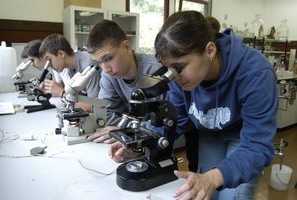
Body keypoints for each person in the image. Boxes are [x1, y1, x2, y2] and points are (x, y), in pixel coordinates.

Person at [109, 10, 278, 200]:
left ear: (210, 50)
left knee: (231, 195)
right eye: (170, 70)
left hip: (245, 136)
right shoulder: (180, 78)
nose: (175, 77)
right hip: (209, 131)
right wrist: (139, 145)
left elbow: (258, 146)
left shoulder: (256, 73)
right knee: (205, 191)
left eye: (179, 68)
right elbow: (175, 119)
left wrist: (214, 177)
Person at [86, 20, 162, 144]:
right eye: (99, 62)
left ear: (127, 47)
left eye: (109, 58)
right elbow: (105, 113)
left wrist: (126, 129)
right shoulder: (108, 75)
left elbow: (167, 122)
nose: (106, 69)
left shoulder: (157, 70)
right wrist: (127, 129)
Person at [39, 33, 101, 112]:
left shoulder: (89, 65)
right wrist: (50, 90)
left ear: (61, 54)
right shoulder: (70, 67)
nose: (49, 66)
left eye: (49, 60)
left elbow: (96, 107)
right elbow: (79, 98)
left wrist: (62, 93)